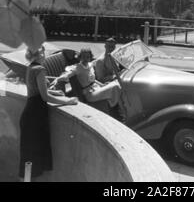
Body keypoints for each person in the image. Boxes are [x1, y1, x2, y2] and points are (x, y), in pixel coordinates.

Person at [19, 45, 78, 181]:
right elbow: (44, 97)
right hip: (35, 116)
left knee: (28, 153)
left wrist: (55, 92)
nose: (45, 54)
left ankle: (25, 180)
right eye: (43, 52)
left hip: (31, 114)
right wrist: (67, 101)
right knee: (31, 154)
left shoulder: (31, 67)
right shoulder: (40, 69)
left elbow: (37, 91)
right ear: (39, 55)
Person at [53, 47, 123, 112]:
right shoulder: (78, 68)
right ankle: (117, 109)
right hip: (90, 94)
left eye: (88, 57)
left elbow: (93, 80)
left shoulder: (90, 65)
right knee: (116, 86)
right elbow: (67, 75)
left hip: (97, 88)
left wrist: (102, 85)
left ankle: (117, 109)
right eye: (83, 57)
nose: (86, 59)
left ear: (90, 57)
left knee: (117, 83)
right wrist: (57, 79)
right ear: (80, 57)